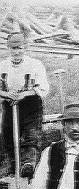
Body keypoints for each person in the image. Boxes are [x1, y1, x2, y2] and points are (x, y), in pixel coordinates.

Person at [0, 33, 49, 179]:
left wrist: (24, 94)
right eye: (13, 48)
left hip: (31, 104)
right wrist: (6, 95)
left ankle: (28, 165)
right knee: (8, 136)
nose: (16, 52)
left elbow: (44, 88)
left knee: (31, 136)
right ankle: (13, 166)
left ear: (25, 48)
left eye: (19, 48)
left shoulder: (35, 64)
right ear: (8, 48)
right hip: (10, 104)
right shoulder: (2, 65)